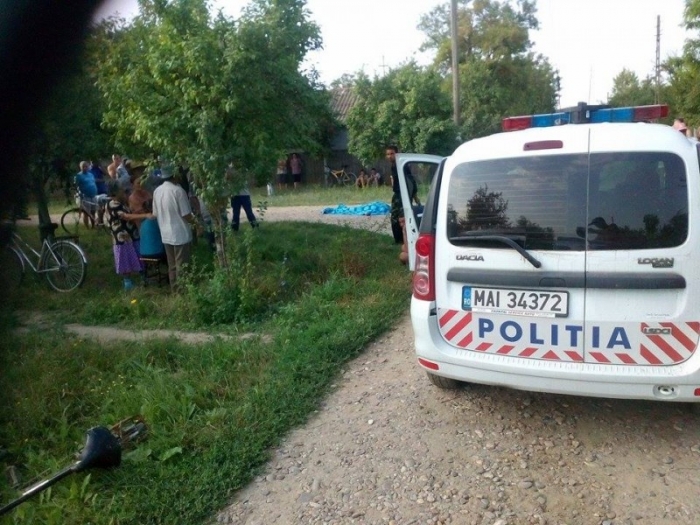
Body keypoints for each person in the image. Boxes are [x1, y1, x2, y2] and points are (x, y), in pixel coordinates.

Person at [152, 166, 195, 291]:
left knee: (172, 265)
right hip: (180, 233)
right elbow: (186, 214)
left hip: (165, 233)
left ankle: (175, 289)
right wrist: (197, 225)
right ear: (175, 176)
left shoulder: (157, 191)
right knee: (182, 265)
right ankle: (183, 291)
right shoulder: (178, 191)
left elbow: (155, 213)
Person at [106, 180, 151, 290]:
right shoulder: (112, 204)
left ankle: (144, 277)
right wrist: (145, 215)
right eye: (121, 189)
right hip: (122, 237)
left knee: (139, 254)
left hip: (132, 234)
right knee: (124, 258)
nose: (123, 191)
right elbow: (126, 216)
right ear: (115, 191)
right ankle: (128, 282)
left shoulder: (121, 202)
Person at [387, 145, 404, 244]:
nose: (390, 156)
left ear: (396, 154)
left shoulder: (401, 165)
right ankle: (398, 240)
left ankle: (402, 240)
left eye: (392, 154)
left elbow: (410, 180)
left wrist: (414, 196)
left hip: (402, 195)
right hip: (397, 193)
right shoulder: (393, 166)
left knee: (401, 218)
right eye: (388, 154)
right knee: (395, 217)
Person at [75, 160, 97, 228]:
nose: (85, 168)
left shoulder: (91, 174)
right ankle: (87, 227)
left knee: (93, 212)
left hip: (93, 195)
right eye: (83, 167)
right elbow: (75, 186)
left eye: (86, 166)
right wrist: (79, 194)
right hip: (85, 196)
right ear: (80, 167)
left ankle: (93, 226)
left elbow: (93, 182)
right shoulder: (78, 176)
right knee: (86, 213)